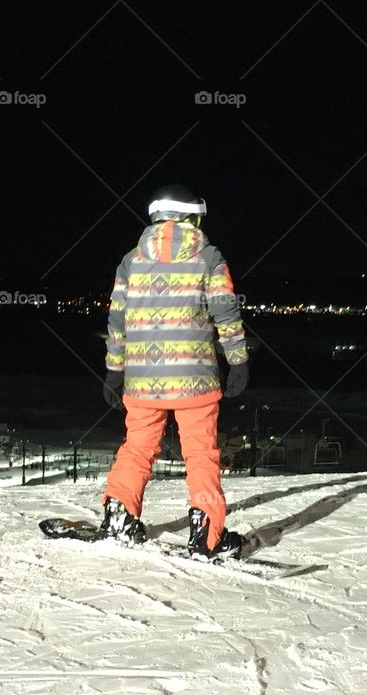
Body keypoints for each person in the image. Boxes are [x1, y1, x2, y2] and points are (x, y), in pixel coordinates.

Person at [98, 185, 250, 558]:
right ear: (192, 218)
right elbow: (226, 313)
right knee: (200, 453)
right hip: (195, 380)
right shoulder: (209, 258)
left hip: (141, 381)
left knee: (137, 447)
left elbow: (117, 322)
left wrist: (113, 372)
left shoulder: (130, 261)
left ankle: (119, 515)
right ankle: (206, 535)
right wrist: (238, 362)